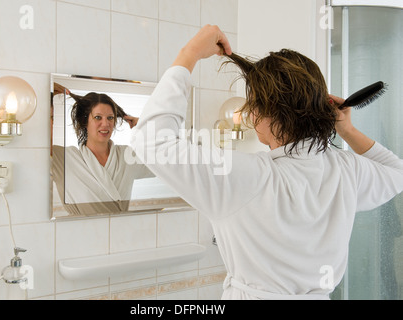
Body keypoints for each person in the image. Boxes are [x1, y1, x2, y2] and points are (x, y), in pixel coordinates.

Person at [131, 25, 403, 299]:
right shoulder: (345, 170)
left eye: (253, 106)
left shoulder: (243, 176)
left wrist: (188, 54)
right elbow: (396, 172)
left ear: (266, 113)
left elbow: (151, 142)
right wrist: (348, 131)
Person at [51, 88, 153, 215]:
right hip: (79, 232)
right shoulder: (64, 159)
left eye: (110, 118)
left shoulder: (126, 156)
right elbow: (35, 143)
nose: (105, 124)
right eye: (98, 117)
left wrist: (146, 126)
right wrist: (51, 90)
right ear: (85, 121)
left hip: (121, 231)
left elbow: (166, 160)